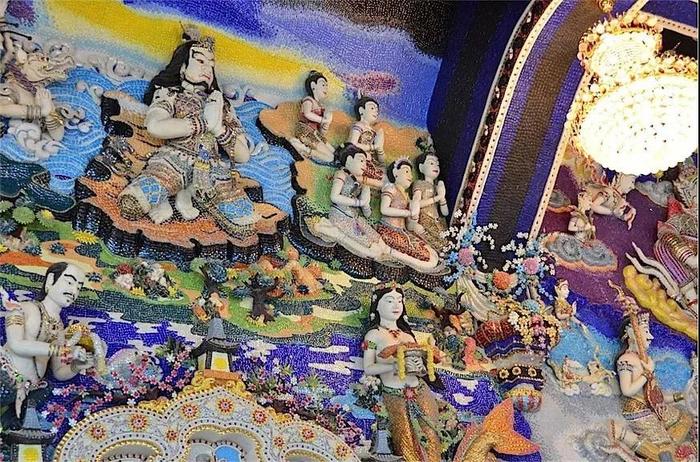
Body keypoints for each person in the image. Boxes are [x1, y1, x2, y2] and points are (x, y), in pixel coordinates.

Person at [117, 27, 262, 231]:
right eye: (200, 61)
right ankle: (170, 196)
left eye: (211, 65)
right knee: (132, 203)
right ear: (183, 67)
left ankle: (184, 195)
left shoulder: (222, 105)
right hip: (174, 160)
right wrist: (202, 123)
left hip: (212, 167)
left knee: (245, 222)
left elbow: (242, 156)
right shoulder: (171, 94)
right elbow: (155, 126)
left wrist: (219, 128)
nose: (207, 69)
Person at [1, 263, 95, 429]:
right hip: (4, 376)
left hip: (27, 391)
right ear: (51, 280)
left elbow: (58, 372)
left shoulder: (59, 329)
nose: (74, 291)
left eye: (79, 288)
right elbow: (16, 345)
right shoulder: (23, 308)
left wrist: (77, 366)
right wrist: (62, 350)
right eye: (70, 282)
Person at [362, 285, 442, 462]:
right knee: (404, 441)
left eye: (399, 301)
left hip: (419, 390)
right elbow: (368, 368)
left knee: (431, 436)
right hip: (394, 394)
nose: (396, 305)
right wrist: (393, 367)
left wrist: (430, 358)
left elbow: (418, 364)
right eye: (389, 301)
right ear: (377, 305)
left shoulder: (408, 336)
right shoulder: (372, 336)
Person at [309, 143, 393, 262]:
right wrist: (358, 202)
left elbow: (367, 214)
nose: (364, 165)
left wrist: (366, 201)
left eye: (365, 162)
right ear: (349, 159)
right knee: (371, 247)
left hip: (355, 217)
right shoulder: (341, 174)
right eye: (361, 160)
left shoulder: (360, 183)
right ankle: (333, 232)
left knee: (379, 241)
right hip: (340, 215)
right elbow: (334, 197)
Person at [378, 159, 440, 272]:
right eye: (406, 171)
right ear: (395, 173)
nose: (410, 176)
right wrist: (408, 213)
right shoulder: (391, 188)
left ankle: (410, 262)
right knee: (424, 255)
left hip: (403, 231)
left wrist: (414, 218)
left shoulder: (406, 196)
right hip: (389, 230)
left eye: (411, 173)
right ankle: (389, 252)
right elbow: (384, 209)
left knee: (431, 253)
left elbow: (409, 224)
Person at [288, 70, 335, 163]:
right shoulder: (308, 100)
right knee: (330, 158)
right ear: (313, 85)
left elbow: (321, 132)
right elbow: (307, 114)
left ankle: (306, 150)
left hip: (315, 134)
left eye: (327, 85)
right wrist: (323, 120)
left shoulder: (321, 107)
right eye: (323, 84)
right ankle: (303, 148)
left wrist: (326, 125)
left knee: (334, 152)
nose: (326, 88)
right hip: (306, 131)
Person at [411, 136, 448, 251]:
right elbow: (416, 204)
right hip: (425, 219)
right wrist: (437, 198)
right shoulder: (419, 183)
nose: (436, 166)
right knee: (439, 246)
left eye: (437, 164)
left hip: (438, 221)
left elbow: (445, 213)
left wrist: (442, 198)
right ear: (421, 168)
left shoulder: (437, 186)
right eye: (431, 163)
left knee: (446, 245)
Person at [347, 96, 385, 188]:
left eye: (377, 110)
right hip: (358, 161)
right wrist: (373, 147)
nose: (376, 111)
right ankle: (358, 180)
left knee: (386, 175)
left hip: (370, 163)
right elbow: (352, 144)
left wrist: (380, 148)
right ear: (361, 110)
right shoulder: (359, 125)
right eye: (372, 108)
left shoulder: (374, 132)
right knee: (384, 181)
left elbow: (382, 161)